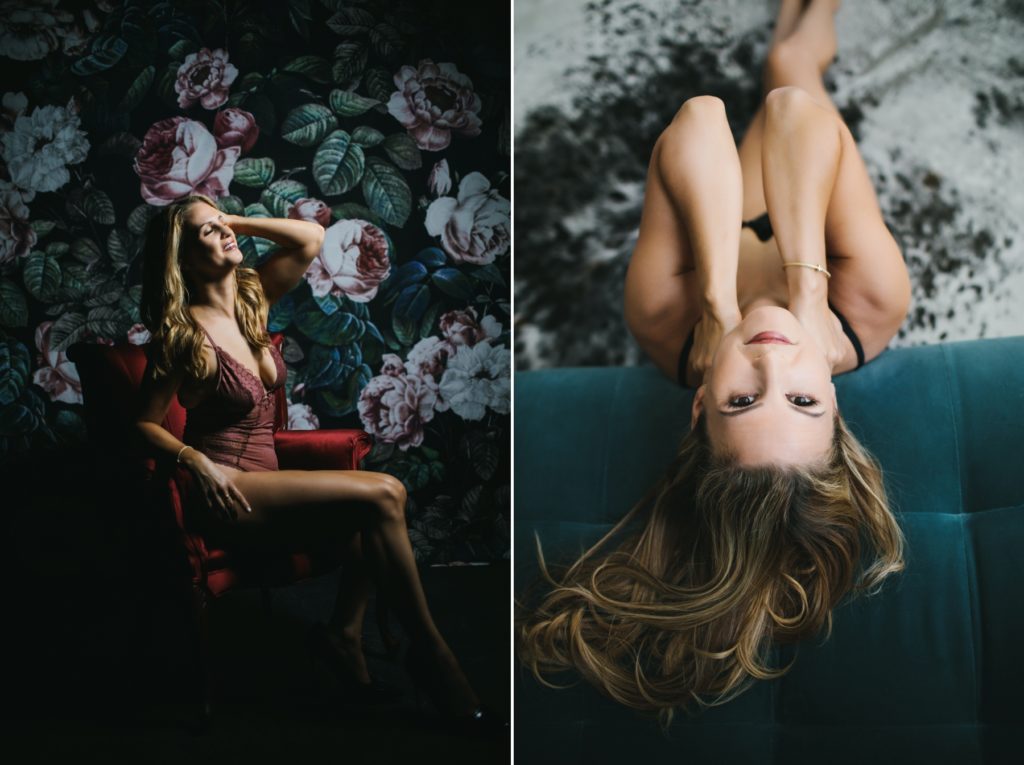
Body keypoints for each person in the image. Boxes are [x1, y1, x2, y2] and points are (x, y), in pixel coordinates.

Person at [516, 0, 908, 728]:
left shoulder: (664, 321)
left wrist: (721, 305)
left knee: (776, 77)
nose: (773, 366)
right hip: (805, 186)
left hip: (735, 207)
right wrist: (807, 290)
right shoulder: (873, 300)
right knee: (790, 76)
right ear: (834, 398)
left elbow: (698, 119)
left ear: (698, 406)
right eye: (801, 402)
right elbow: (796, 116)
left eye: (739, 402)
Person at [135, 192, 502, 735]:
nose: (224, 232)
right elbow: (140, 422)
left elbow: (310, 237)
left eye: (223, 223)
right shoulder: (183, 334)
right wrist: (194, 460)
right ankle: (433, 655)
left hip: (269, 484)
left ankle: (343, 635)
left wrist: (223, 218)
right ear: (183, 258)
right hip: (230, 490)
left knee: (367, 531)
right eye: (207, 233)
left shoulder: (250, 302)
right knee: (385, 493)